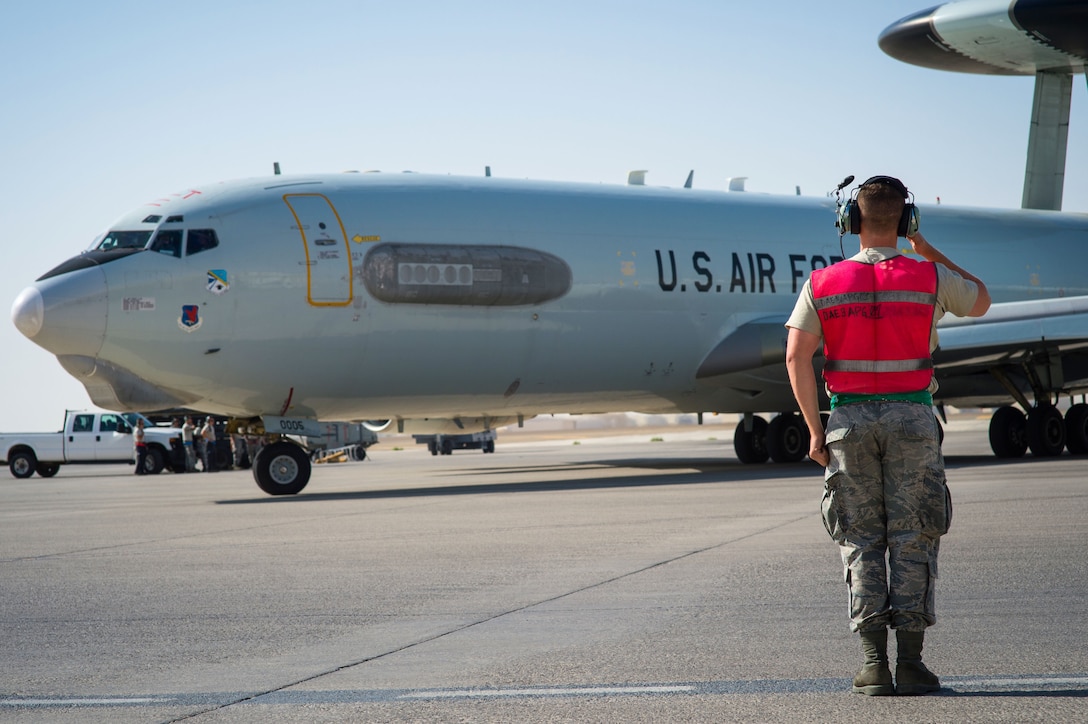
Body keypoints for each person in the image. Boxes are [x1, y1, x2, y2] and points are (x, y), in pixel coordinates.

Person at [784, 175, 990, 696]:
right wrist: (927, 250)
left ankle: (874, 664)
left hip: (848, 422)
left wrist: (815, 429)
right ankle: (913, 664)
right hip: (913, 419)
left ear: (850, 222)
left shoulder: (822, 283)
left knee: (860, 539)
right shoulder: (927, 277)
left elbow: (795, 356)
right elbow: (982, 300)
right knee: (914, 535)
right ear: (906, 220)